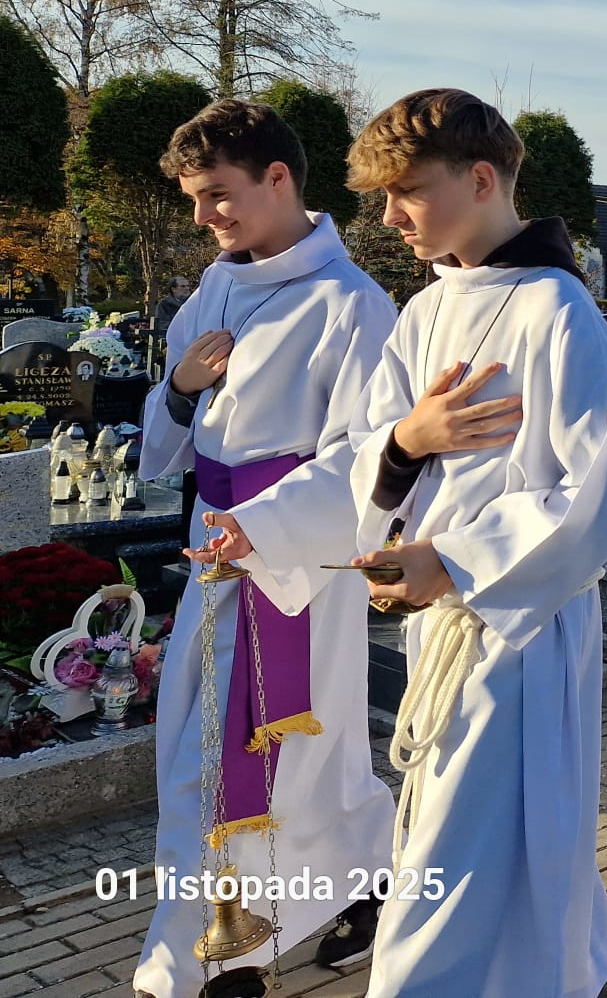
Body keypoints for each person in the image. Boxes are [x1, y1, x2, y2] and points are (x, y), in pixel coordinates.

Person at [345, 89, 607, 998]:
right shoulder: (424, 310)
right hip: (443, 622)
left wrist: (458, 559)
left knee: (460, 847)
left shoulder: (556, 309)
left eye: (408, 191)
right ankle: (571, 974)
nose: (392, 216)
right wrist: (406, 445)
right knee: (501, 837)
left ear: (482, 179)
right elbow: (375, 441)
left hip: (519, 628)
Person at [135, 101, 397, 998]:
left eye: (218, 195)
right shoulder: (217, 285)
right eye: (196, 200)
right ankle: (357, 881)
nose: (206, 216)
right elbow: (177, 429)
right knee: (206, 752)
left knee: (278, 760)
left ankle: (229, 957)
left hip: (294, 571)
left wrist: (272, 524)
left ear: (279, 178)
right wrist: (179, 386)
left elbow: (369, 454)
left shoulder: (352, 304)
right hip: (216, 551)